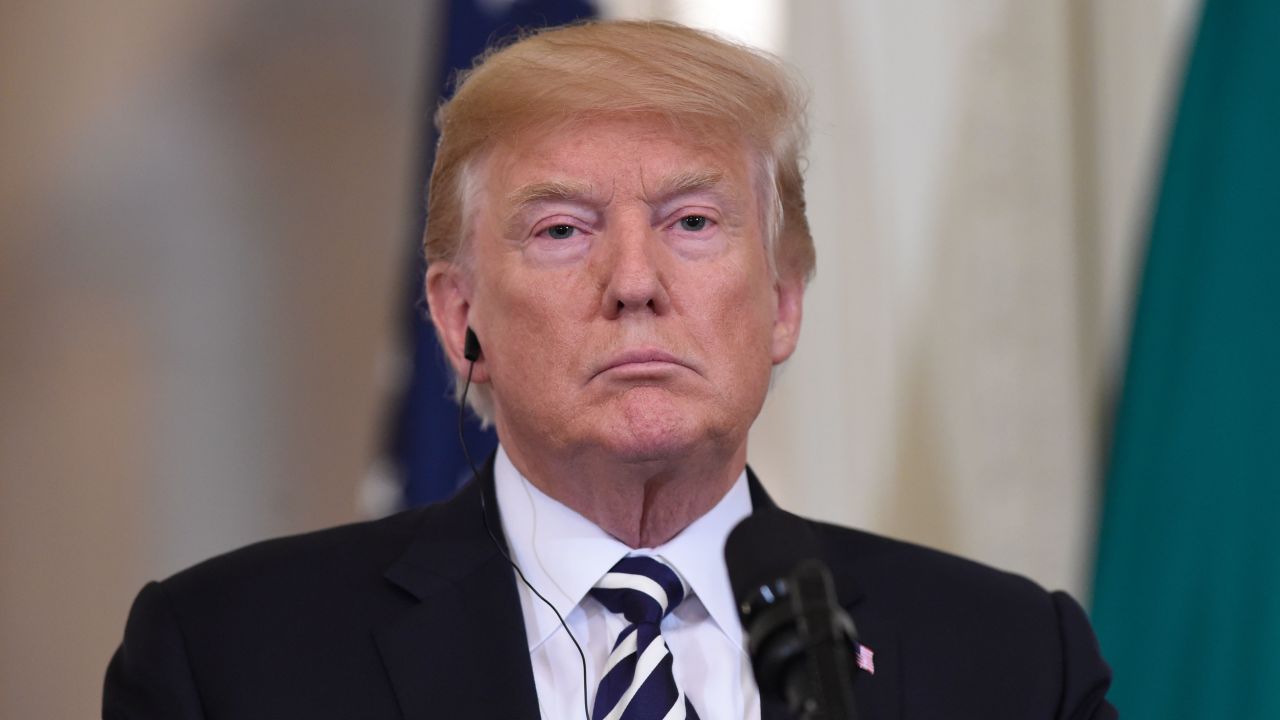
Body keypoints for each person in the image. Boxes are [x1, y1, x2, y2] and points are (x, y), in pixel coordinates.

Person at [104, 20, 1116, 720]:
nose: (633, 281)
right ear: (460, 318)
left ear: (782, 303)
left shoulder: (1008, 663)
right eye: (559, 229)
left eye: (690, 222)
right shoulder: (232, 662)